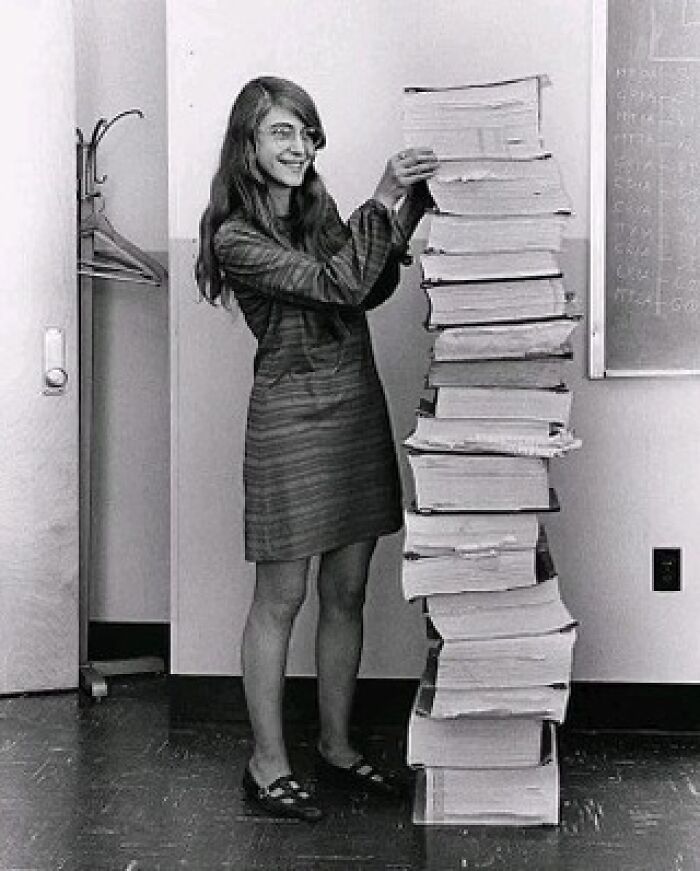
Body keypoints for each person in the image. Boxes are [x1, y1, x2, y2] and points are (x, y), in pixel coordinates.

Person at [195, 75, 437, 822]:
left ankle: (334, 743)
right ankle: (266, 764)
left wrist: (414, 204)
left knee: (347, 591)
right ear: (248, 142)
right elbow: (336, 281)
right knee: (282, 598)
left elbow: (364, 287)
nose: (298, 147)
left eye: (304, 132)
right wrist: (383, 193)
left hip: (352, 407)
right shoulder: (235, 236)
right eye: (280, 132)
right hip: (290, 418)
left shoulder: (317, 207)